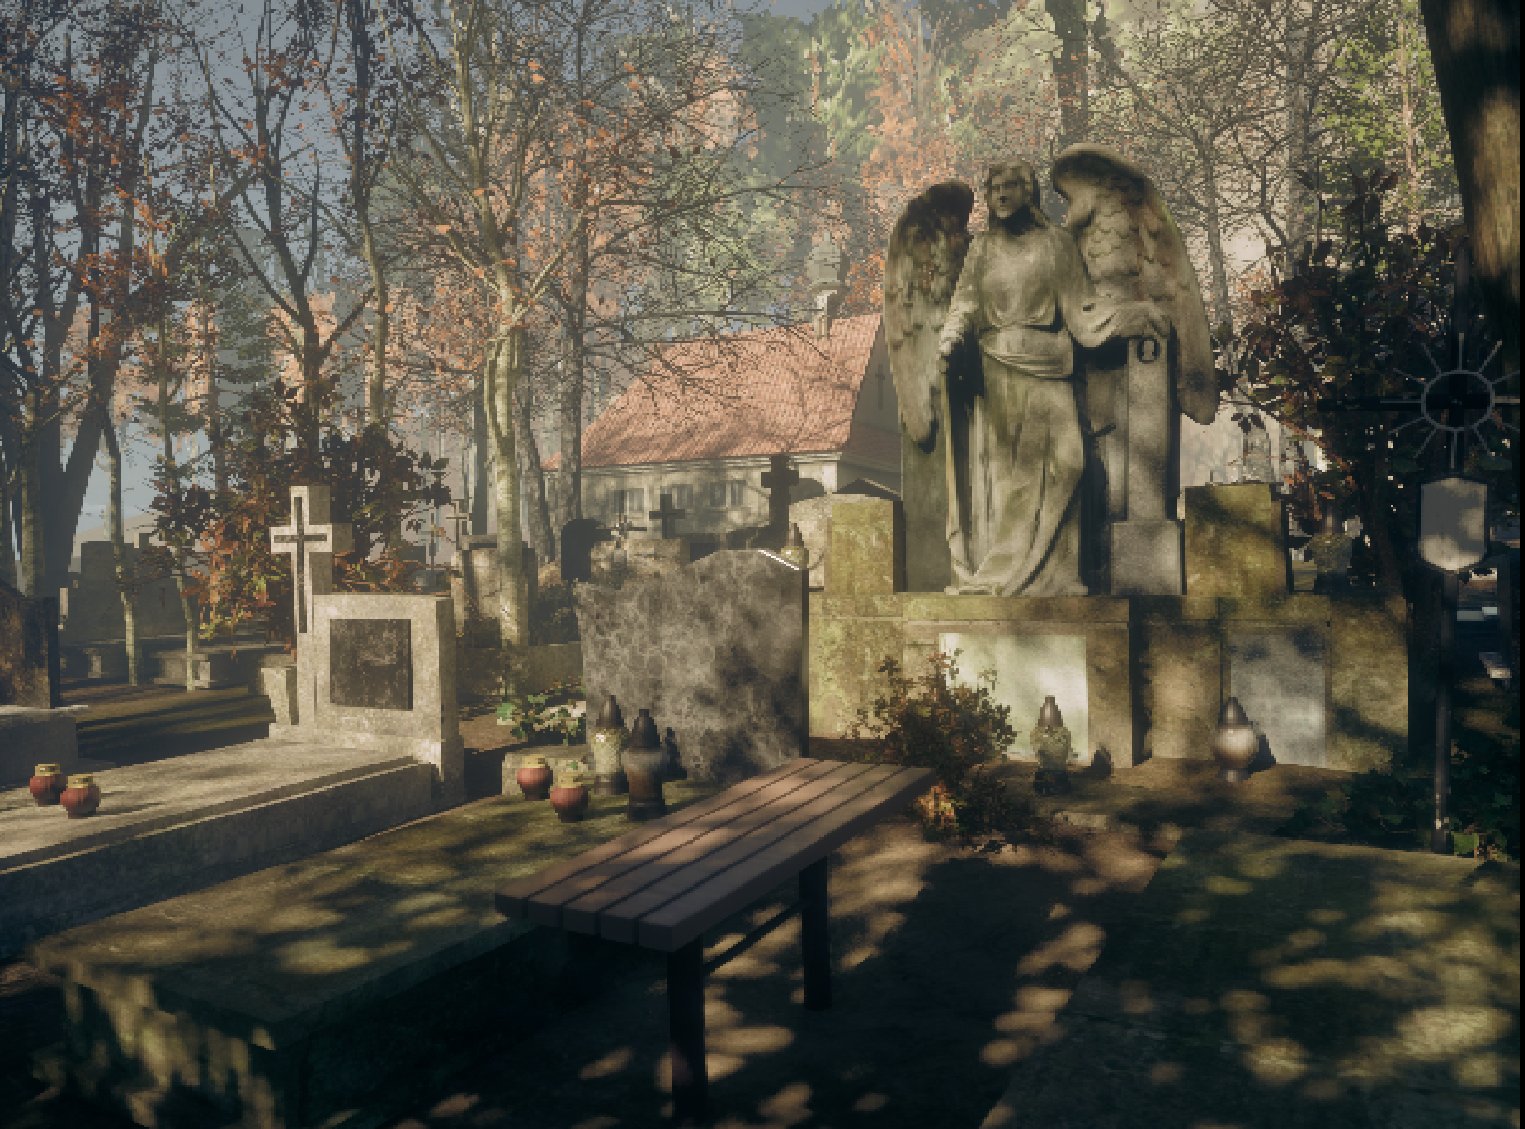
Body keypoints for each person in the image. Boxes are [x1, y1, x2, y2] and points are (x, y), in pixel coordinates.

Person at [936, 160, 1167, 596]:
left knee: (1070, 462)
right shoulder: (981, 249)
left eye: (1011, 187)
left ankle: (1056, 574)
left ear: (1029, 193)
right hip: (1000, 366)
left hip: (1051, 365)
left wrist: (1134, 316)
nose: (1001, 195)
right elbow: (964, 304)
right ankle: (1008, 572)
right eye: (994, 188)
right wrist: (949, 338)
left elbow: (1082, 312)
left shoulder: (1057, 244)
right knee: (1016, 478)